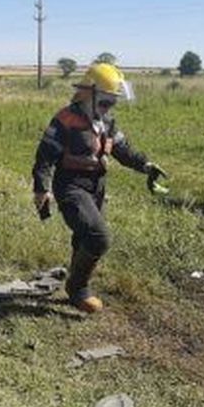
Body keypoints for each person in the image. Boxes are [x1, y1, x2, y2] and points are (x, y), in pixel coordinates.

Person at [32, 63, 167, 313]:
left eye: (112, 103)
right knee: (99, 237)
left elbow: (122, 151)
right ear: (88, 94)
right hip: (71, 186)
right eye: (105, 102)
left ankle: (74, 291)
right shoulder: (65, 119)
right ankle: (79, 287)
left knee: (83, 237)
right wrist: (42, 188)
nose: (108, 108)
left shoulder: (107, 122)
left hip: (97, 188)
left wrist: (145, 165)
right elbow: (45, 156)